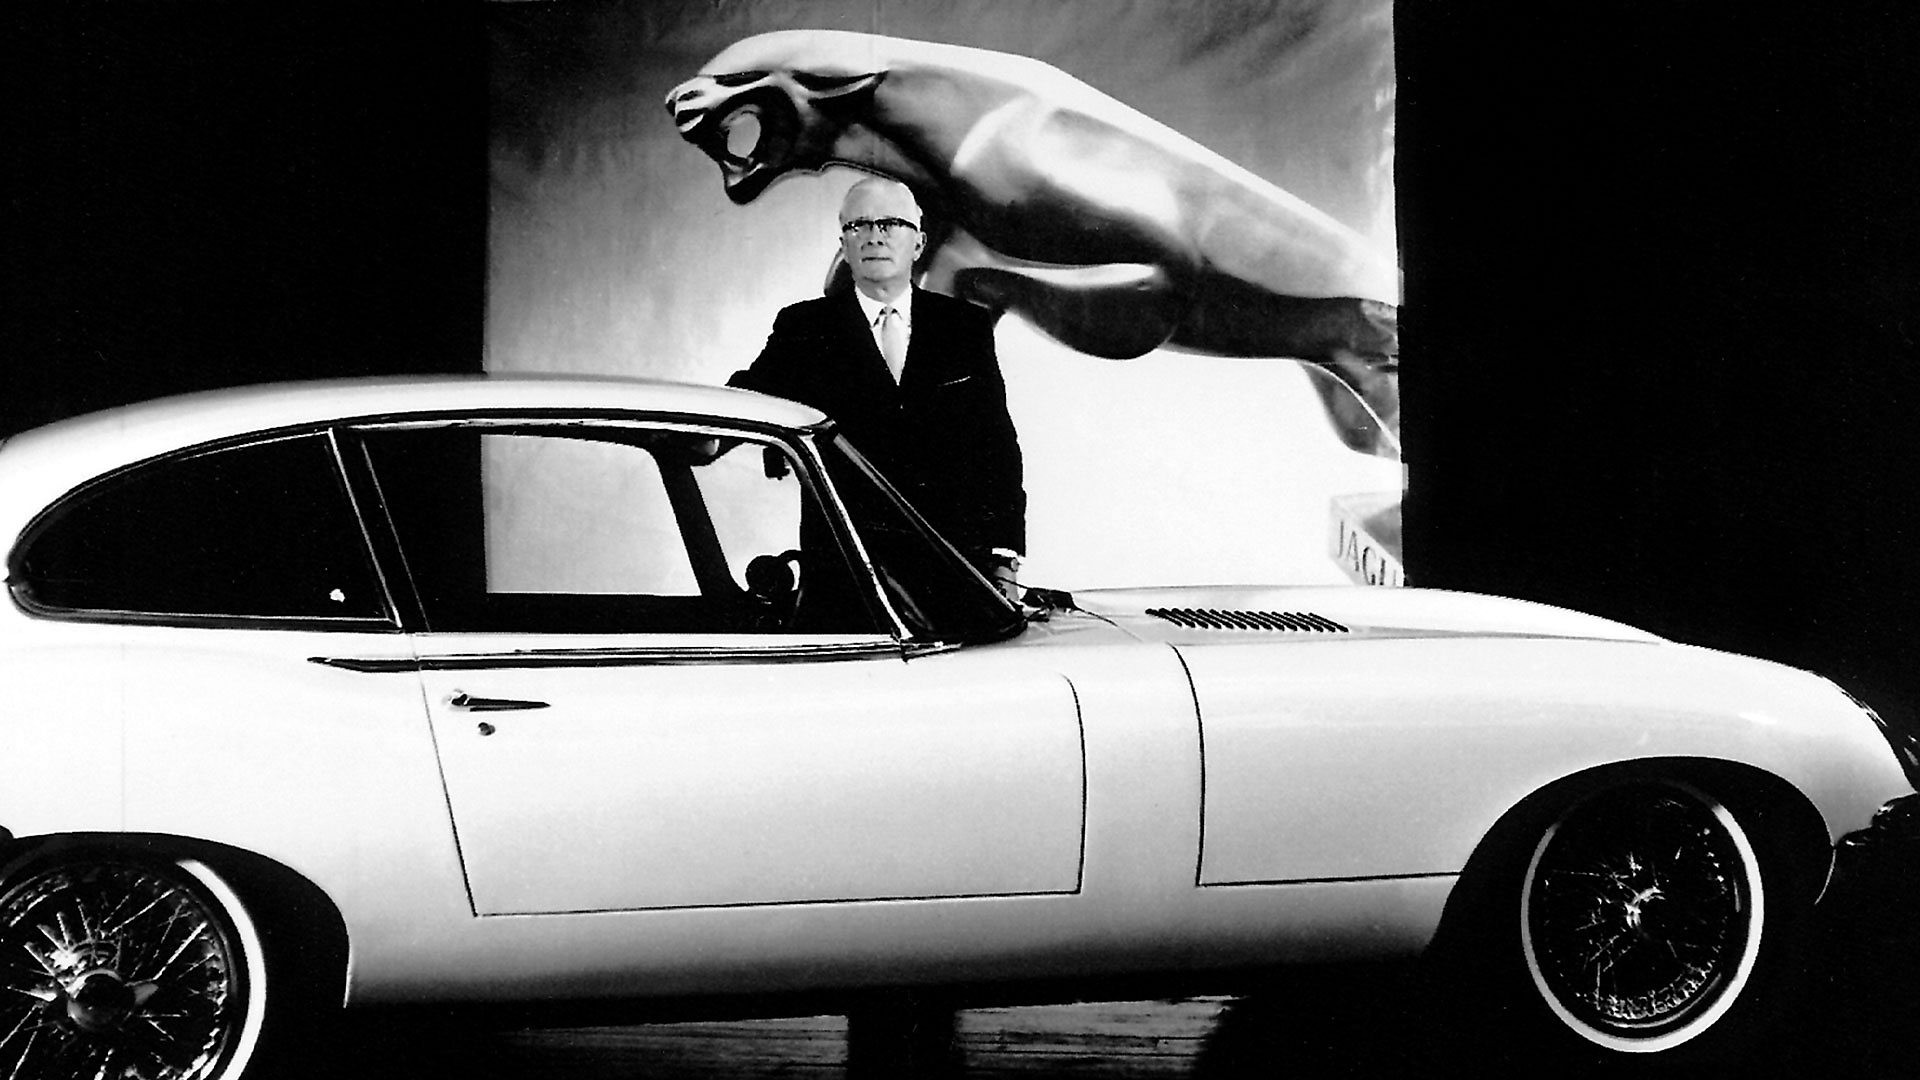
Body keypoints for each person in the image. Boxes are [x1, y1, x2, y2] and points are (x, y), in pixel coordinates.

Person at [730, 177, 1026, 601]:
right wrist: (695, 436)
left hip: (953, 566)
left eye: (890, 223)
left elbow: (996, 446)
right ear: (844, 245)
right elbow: (747, 399)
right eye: (859, 226)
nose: (874, 236)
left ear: (919, 243)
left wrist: (1005, 558)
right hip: (846, 572)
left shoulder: (964, 326)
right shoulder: (804, 327)